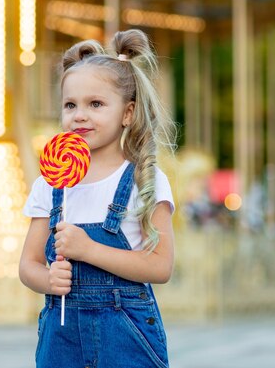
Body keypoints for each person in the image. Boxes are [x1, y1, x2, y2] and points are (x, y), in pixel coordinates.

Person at [20, 29, 177, 368]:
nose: (80, 115)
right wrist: (47, 280)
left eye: (96, 104)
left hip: (126, 336)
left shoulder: (144, 181)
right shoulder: (50, 183)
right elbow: (28, 263)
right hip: (62, 340)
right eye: (70, 105)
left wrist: (88, 249)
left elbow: (160, 266)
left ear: (127, 113)